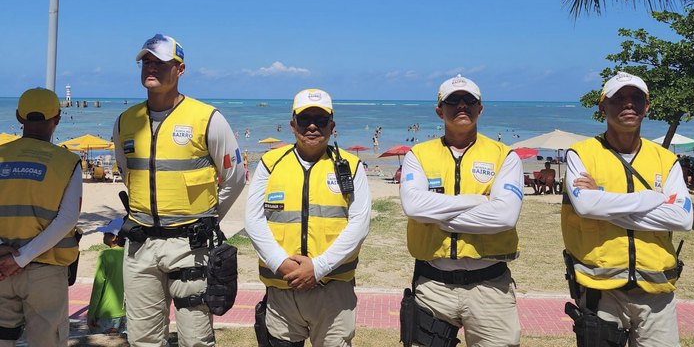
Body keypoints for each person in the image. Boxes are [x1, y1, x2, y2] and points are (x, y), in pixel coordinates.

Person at [114, 34, 246, 347]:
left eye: (160, 62)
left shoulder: (207, 118)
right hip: (140, 247)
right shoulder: (125, 121)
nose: (151, 67)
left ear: (180, 69)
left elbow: (235, 176)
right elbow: (125, 171)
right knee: (143, 339)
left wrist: (209, 217)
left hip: (190, 245)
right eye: (146, 61)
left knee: (196, 339)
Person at [561, 72, 693, 347]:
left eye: (636, 98)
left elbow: (682, 217)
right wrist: (652, 198)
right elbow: (586, 205)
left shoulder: (665, 160)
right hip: (601, 291)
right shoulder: (581, 154)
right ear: (602, 107)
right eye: (618, 98)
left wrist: (605, 201)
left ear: (647, 107)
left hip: (656, 292)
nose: (628, 104)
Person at [399, 75, 524, 347]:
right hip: (433, 284)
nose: (462, 105)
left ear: (480, 108)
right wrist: (480, 201)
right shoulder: (418, 155)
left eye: (470, 100)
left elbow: (504, 216)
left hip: (490, 285)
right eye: (453, 100)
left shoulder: (505, 156)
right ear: (439, 110)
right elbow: (413, 206)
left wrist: (440, 218)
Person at [245, 89, 371, 346]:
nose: (312, 126)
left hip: (333, 291)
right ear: (293, 125)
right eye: (304, 119)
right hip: (282, 287)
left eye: (321, 120)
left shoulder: (351, 166)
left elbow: (359, 224)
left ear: (332, 126)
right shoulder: (270, 163)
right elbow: (253, 219)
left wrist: (319, 267)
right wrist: (281, 263)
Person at [0, 88, 82, 346]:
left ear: (18, 117)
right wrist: (21, 259)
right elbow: (67, 219)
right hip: (45, 272)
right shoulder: (67, 162)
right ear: (56, 118)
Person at [87, 218, 127, 336]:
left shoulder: (105, 255)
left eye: (106, 233)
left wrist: (91, 313)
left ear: (114, 237)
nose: (103, 236)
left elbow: (98, 287)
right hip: (126, 313)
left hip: (106, 314)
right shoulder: (130, 254)